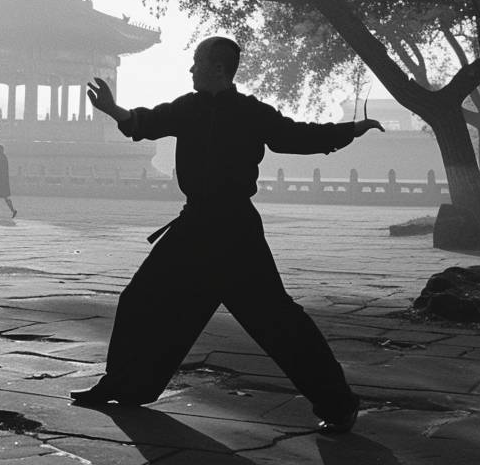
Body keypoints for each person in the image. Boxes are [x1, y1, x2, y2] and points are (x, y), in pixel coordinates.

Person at [71, 36, 383, 436]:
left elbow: (298, 137)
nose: (191, 69)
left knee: (277, 320)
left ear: (217, 67)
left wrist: (350, 130)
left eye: (196, 62)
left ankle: (339, 404)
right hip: (194, 223)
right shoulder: (188, 107)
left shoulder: (251, 112)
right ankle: (122, 384)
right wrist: (112, 109)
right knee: (139, 297)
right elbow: (145, 124)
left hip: (235, 230)